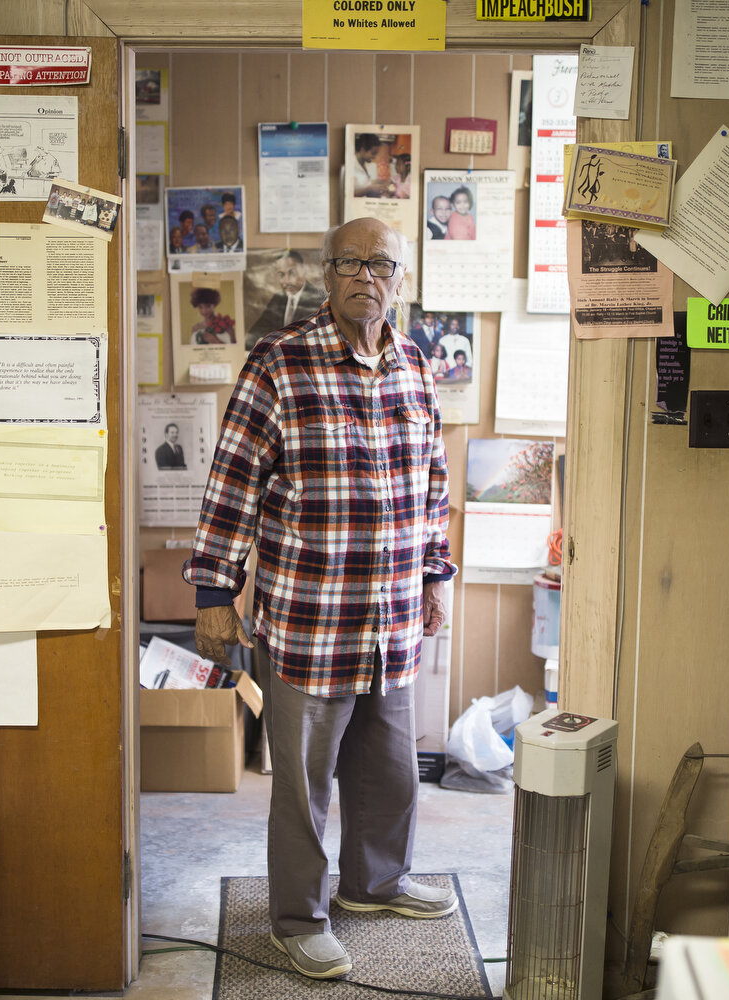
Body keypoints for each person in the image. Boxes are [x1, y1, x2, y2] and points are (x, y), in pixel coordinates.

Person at [185, 217, 456, 982]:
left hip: (392, 614)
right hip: (309, 619)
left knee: (390, 766)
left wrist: (435, 576)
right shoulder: (279, 362)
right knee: (303, 788)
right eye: (350, 262)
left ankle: (375, 885)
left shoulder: (414, 365)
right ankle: (297, 919)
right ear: (326, 274)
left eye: (381, 264)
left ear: (400, 280)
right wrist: (214, 592)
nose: (365, 276)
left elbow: (432, 485)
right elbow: (231, 483)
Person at [250, 251, 316, 345]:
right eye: (281, 274)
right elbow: (257, 330)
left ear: (304, 270)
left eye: (292, 272)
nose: (286, 280)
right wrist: (263, 339)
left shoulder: (317, 298)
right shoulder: (278, 299)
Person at [350, 133, 394, 198]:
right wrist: (370, 189)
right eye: (373, 153)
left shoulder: (364, 163)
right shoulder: (351, 164)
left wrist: (381, 182)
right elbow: (349, 192)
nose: (375, 157)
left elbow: (364, 183)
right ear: (363, 149)